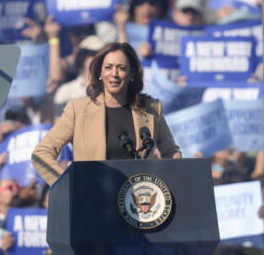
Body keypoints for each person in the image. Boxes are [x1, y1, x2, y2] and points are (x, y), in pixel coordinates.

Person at [32, 42, 181, 185]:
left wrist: (167, 185)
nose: (114, 74)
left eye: (121, 68)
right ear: (100, 73)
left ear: (132, 74)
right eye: (108, 67)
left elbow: (171, 151)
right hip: (95, 202)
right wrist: (68, 185)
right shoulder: (77, 110)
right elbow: (41, 154)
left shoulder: (151, 108)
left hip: (139, 204)